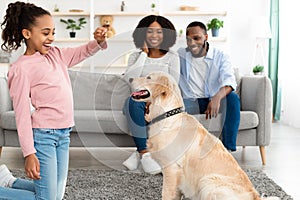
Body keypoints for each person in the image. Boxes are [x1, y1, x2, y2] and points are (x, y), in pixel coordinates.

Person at [1, 1, 107, 199]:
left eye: (53, 33)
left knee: (54, 196)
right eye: (45, 33)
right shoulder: (21, 68)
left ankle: (9, 181)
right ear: (27, 34)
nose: (51, 38)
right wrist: (29, 153)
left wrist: (98, 42)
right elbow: (22, 114)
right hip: (44, 136)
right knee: (47, 198)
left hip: (64, 135)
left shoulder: (56, 54)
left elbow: (80, 52)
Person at [122, 15, 180, 174]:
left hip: (163, 100)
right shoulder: (135, 56)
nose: (154, 36)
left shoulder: (172, 57)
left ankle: (138, 154)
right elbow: (130, 80)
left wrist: (154, 101)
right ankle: (145, 154)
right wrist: (143, 54)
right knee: (132, 102)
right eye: (150, 32)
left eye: (159, 32)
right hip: (138, 100)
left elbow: (173, 84)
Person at [178, 21, 240, 152]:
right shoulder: (181, 55)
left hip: (213, 99)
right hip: (190, 101)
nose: (192, 43)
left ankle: (226, 150)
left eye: (197, 38)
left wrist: (216, 98)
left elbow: (230, 81)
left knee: (233, 98)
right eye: (189, 40)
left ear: (206, 37)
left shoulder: (221, 56)